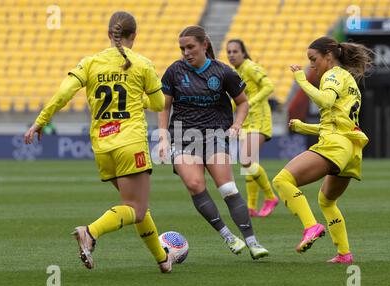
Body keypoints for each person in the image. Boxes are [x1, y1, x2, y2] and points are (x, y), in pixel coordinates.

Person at [24, 11, 174, 273]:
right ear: (134, 36)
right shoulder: (142, 64)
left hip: (103, 146)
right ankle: (90, 232)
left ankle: (162, 260)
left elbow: (64, 92)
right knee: (136, 209)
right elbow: (160, 104)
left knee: (135, 205)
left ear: (109, 34)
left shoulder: (90, 63)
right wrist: (140, 98)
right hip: (131, 142)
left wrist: (41, 121)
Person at [157, 25, 269, 260]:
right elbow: (164, 107)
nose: (186, 52)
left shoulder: (223, 72)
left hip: (215, 135)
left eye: (190, 47)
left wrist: (237, 124)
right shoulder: (174, 71)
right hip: (183, 137)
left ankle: (252, 241)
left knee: (228, 188)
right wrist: (164, 138)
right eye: (182, 48)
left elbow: (243, 103)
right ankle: (228, 236)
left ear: (204, 45)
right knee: (196, 185)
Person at [272, 36, 372, 264]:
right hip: (351, 148)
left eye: (313, 59)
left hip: (336, 144)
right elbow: (336, 121)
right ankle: (344, 254)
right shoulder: (348, 80)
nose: (311, 65)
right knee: (327, 201)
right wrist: (303, 126)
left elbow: (326, 101)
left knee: (282, 180)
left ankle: (310, 226)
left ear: (328, 56)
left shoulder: (333, 75)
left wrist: (301, 81)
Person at [226, 39, 279, 217]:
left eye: (235, 51)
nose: (231, 55)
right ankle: (251, 206)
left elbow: (269, 86)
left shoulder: (249, 67)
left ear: (243, 53)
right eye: (229, 52)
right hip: (246, 122)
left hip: (260, 120)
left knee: (246, 159)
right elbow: (237, 102)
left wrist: (250, 103)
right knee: (248, 166)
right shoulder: (235, 72)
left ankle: (271, 197)